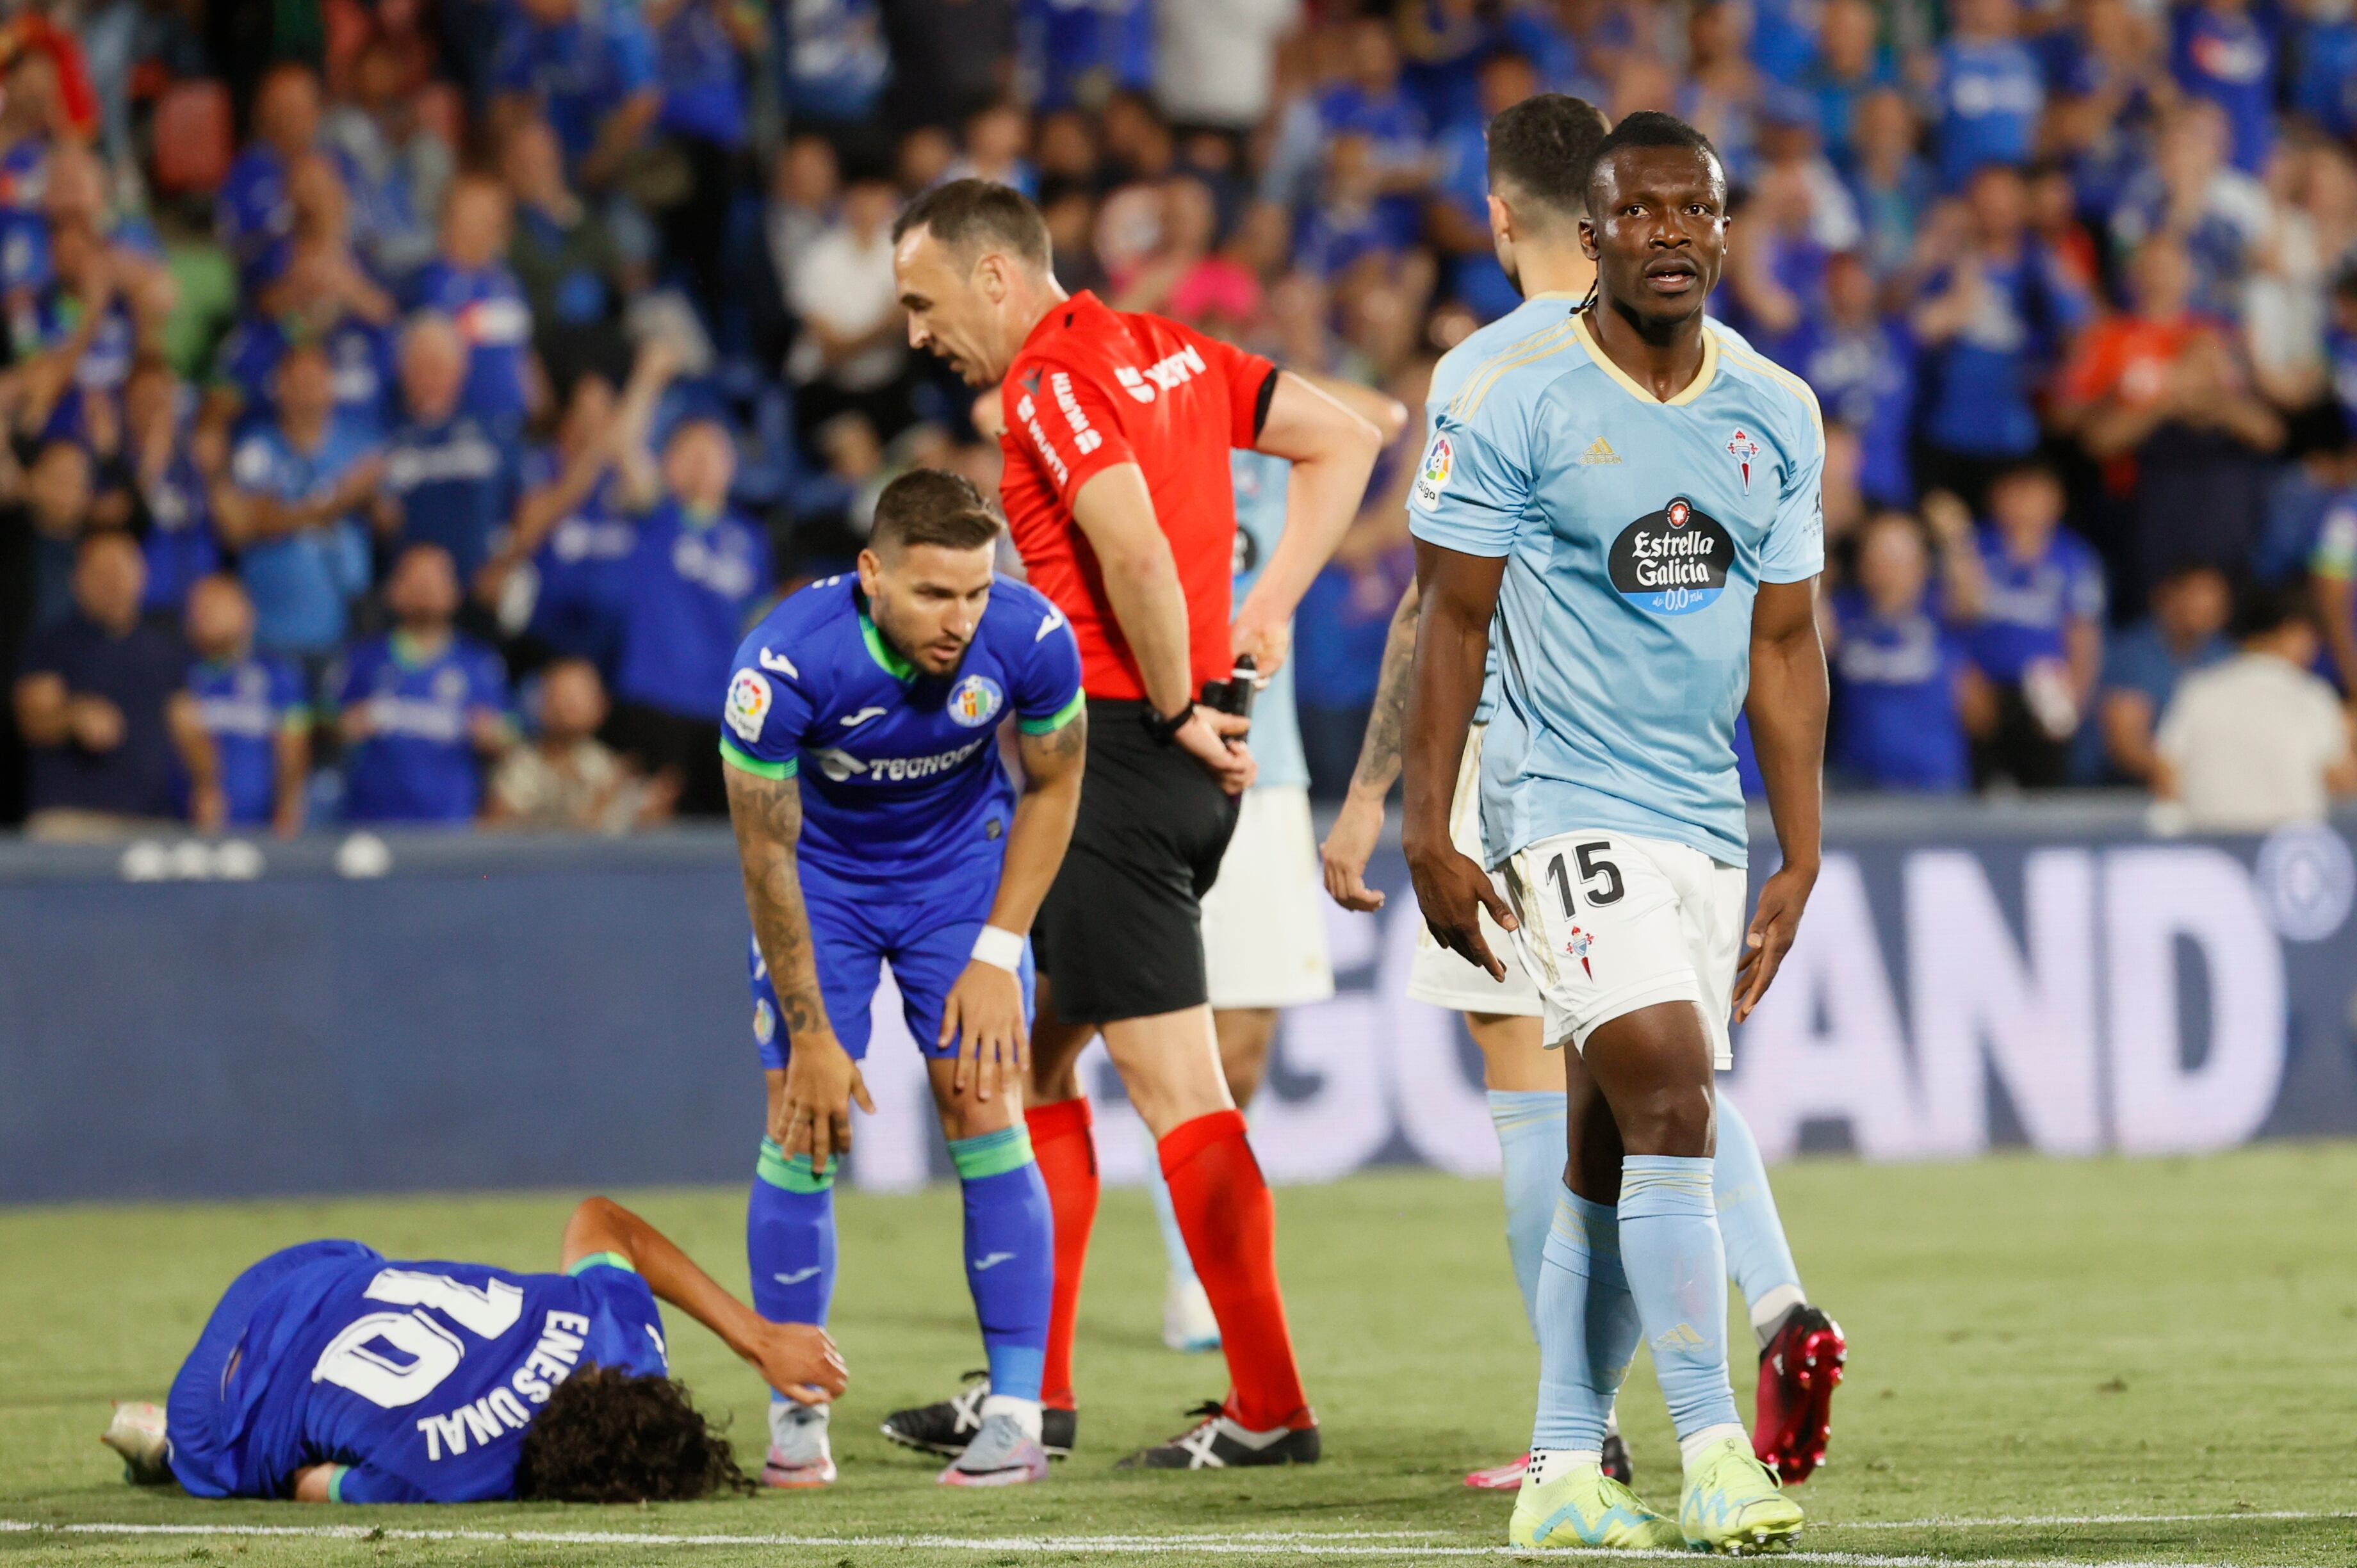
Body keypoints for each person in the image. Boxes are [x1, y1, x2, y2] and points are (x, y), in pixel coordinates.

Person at [1319, 94, 1843, 1503]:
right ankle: (1714, 1446)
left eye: (1696, 212)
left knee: (1605, 1143)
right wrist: (1425, 820)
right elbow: (1447, 618)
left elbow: (1786, 644)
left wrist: (1802, 848)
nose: (1670, 235)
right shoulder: (1507, 392)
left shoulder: (1774, 412)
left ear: (1726, 232)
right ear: (1590, 235)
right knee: (1667, 1088)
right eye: (1642, 213)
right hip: (1554, 803)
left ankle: (1561, 1462)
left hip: (1698, 812)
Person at [881, 178, 1382, 1470]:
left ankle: (1268, 1407)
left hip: (1113, 768)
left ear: (997, 276)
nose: (918, 332)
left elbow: (1138, 552)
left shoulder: (1051, 379)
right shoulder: (1167, 350)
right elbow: (1350, 439)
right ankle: (1027, 1394)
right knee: (1026, 1068)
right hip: (1156, 769)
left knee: (1175, 1090)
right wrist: (1262, 615)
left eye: (926, 302)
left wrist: (1173, 711)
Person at [719, 470, 1087, 1488]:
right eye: (934, 594)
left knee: (984, 1103)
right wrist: (815, 1037)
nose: (960, 620)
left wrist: (999, 953)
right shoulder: (785, 665)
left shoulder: (1032, 636)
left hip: (957, 877)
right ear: (871, 574)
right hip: (820, 886)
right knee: (803, 1121)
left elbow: (1056, 786)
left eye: (975, 592)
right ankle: (798, 1414)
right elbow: (765, 858)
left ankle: (1015, 1413)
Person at [98, 1195, 845, 1503]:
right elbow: (313, 1482)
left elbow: (599, 1217)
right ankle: (168, 1446)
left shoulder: (615, 1332)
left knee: (379, 1277)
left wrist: (757, 1338)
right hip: (215, 1404)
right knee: (254, 1464)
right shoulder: (458, 1476)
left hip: (312, 1267)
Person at [609, 417, 771, 817]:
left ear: (732, 466)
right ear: (667, 463)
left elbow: (760, 623)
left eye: (713, 453)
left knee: (720, 839)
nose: (702, 462)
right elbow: (622, 444)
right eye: (689, 451)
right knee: (650, 826)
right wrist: (652, 373)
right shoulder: (653, 516)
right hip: (655, 700)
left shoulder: (751, 539)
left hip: (724, 711)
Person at [13, 530, 219, 839]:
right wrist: (73, 717)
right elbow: (31, 719)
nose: (113, 582)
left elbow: (187, 725)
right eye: (101, 572)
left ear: (142, 576)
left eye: (123, 569)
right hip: (71, 822)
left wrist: (207, 786)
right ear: (78, 580)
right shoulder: (52, 643)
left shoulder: (164, 648)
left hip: (149, 823)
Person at [213, 341, 381, 686]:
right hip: (270, 632)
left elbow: (389, 524)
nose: (306, 391)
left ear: (331, 387)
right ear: (280, 388)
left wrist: (375, 501)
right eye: (297, 381)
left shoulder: (360, 443)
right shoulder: (256, 448)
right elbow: (247, 526)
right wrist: (339, 501)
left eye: (315, 380)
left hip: (343, 630)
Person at [334, 543, 514, 824]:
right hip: (372, 822)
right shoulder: (363, 661)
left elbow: (508, 738)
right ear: (394, 591)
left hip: (450, 824)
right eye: (416, 579)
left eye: (436, 578)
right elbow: (325, 727)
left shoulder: (480, 665)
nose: (426, 588)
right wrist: (343, 727)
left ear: (455, 592)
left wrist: (494, 736)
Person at [1947, 468, 2103, 788]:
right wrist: (1961, 678)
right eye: (2013, 492)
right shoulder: (1975, 548)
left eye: (2033, 492)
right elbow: (1953, 619)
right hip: (1985, 687)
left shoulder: (2074, 558)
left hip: (2047, 689)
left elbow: (2084, 634)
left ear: (2055, 501)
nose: (2023, 504)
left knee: (2046, 784)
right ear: (1996, 498)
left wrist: (2074, 701)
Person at [2155, 585, 2357, 831]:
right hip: (2285, 856)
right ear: (2293, 632)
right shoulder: (2312, 697)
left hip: (2212, 849)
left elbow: (2166, 774)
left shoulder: (2199, 689)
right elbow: (2343, 782)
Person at [1824, 514, 1976, 791]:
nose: (1888, 570)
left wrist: (1956, 538)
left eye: (1899, 558)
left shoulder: (1942, 610)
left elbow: (1973, 599)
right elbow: (1816, 631)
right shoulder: (1847, 613)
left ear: (1922, 564)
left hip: (1933, 781)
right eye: (1877, 557)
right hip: (1857, 779)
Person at [378, 313, 520, 589]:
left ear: (462, 369)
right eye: (422, 367)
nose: (431, 379)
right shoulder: (380, 436)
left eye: (440, 367)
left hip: (478, 591)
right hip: (407, 597)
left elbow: (527, 504)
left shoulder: (494, 433)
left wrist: (506, 563)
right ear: (401, 369)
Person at [183, 573, 309, 836]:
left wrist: (288, 804)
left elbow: (292, 742)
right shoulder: (179, 675)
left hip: (261, 827)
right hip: (184, 827)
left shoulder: (278, 674)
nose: (205, 614)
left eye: (217, 604)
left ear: (247, 613)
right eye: (197, 607)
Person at [484, 658, 666, 831]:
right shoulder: (521, 765)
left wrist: (647, 812)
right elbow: (497, 829)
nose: (571, 705)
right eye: (563, 695)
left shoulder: (605, 767)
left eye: (581, 695)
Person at [2098, 562, 2233, 785]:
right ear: (2168, 597)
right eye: (2197, 595)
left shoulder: (2226, 656)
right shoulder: (2134, 653)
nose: (2207, 607)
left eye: (2215, 599)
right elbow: (2125, 743)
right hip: (2124, 792)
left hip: (2203, 789)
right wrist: (2180, 774)